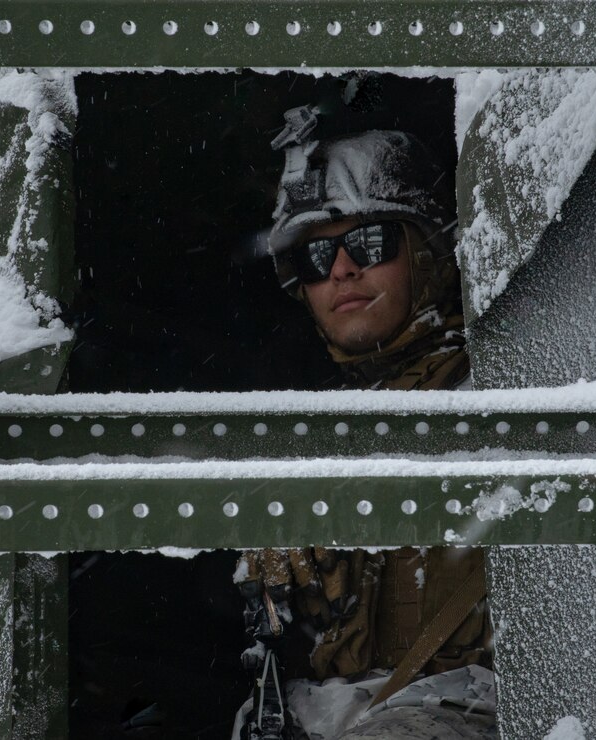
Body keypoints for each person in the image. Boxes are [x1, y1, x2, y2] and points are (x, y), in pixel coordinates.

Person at [234, 119, 498, 740]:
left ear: (429, 250)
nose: (343, 270)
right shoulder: (326, 429)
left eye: (372, 242)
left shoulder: (508, 390)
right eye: (316, 257)